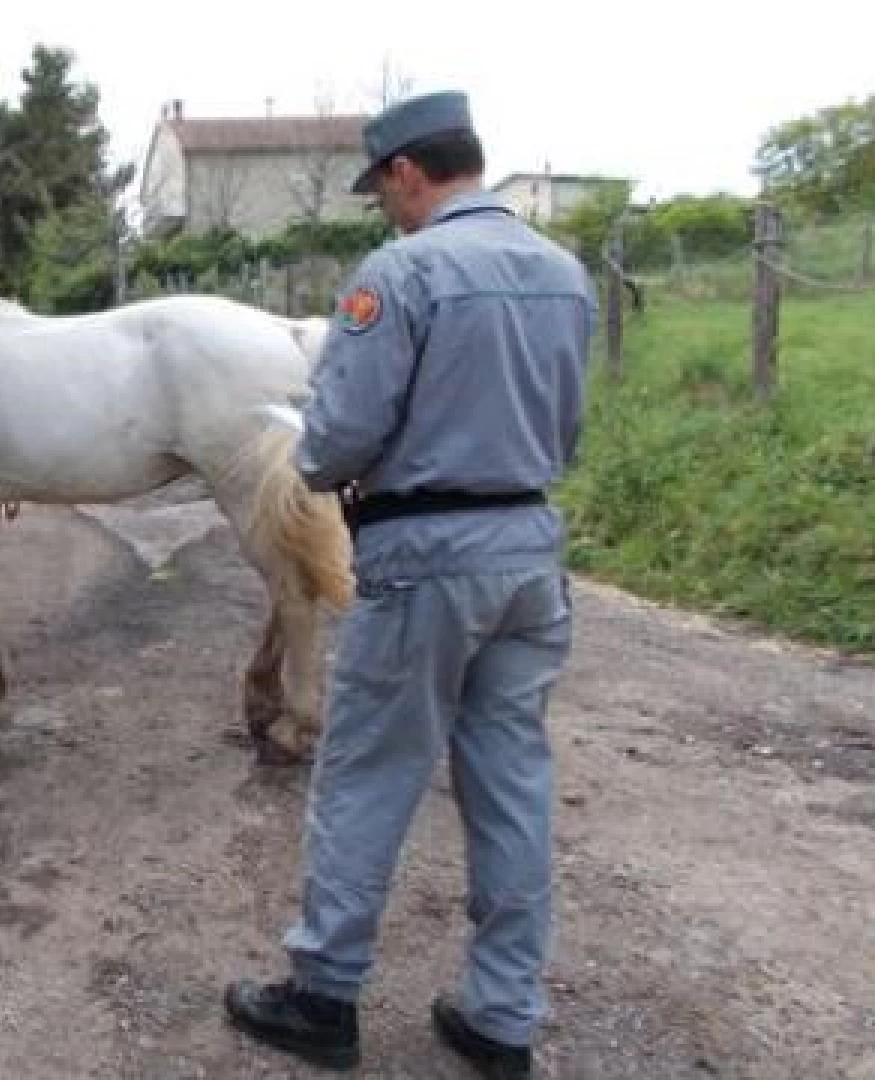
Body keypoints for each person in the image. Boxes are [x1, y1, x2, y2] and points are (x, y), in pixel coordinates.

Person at [222, 92, 596, 1078]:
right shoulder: (565, 274)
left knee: (367, 774)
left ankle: (323, 994)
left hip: (422, 555)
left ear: (405, 172)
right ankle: (502, 1013)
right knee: (513, 783)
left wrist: (315, 450)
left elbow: (339, 439)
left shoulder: (401, 273)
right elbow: (566, 430)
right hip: (527, 548)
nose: (384, 208)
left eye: (381, 188)